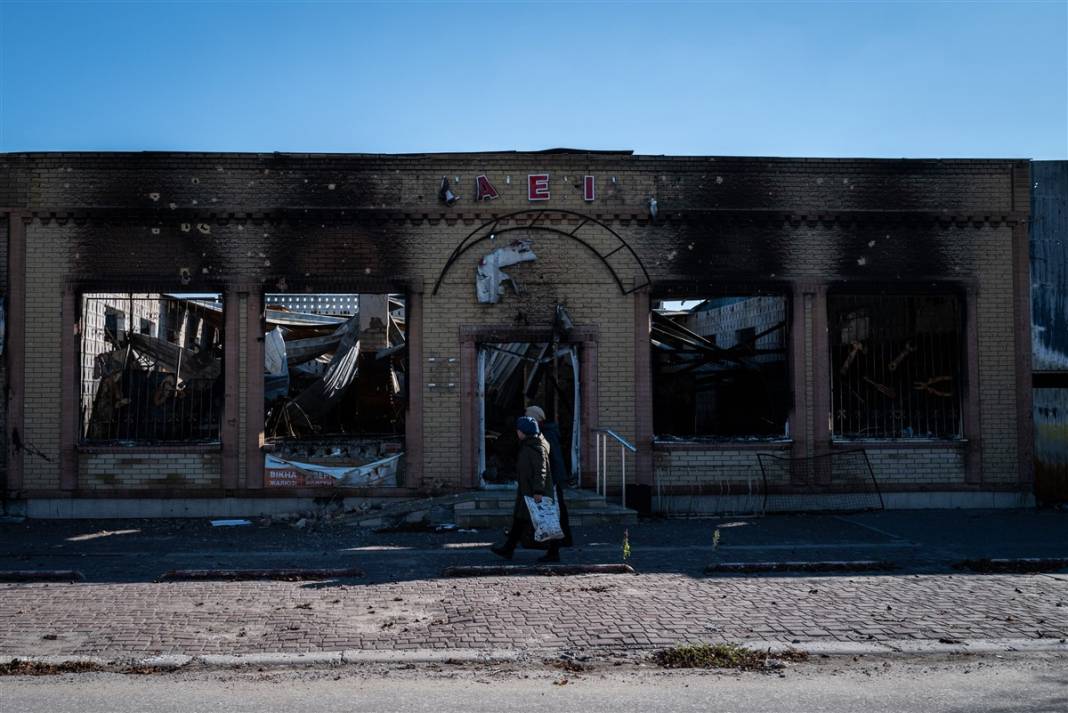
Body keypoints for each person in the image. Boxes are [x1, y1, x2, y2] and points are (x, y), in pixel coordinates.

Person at [491, 416, 561, 563]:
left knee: (547, 522)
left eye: (519, 430)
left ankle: (554, 552)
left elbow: (541, 470)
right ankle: (508, 549)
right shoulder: (528, 444)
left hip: (534, 492)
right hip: (526, 490)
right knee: (519, 520)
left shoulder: (536, 447)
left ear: (524, 432)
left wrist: (538, 491)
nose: (517, 432)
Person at [524, 405, 573, 548]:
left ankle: (556, 542)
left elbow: (550, 457)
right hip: (552, 475)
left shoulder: (545, 434)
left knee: (553, 509)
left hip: (551, 476)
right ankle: (561, 539)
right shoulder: (547, 431)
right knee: (557, 508)